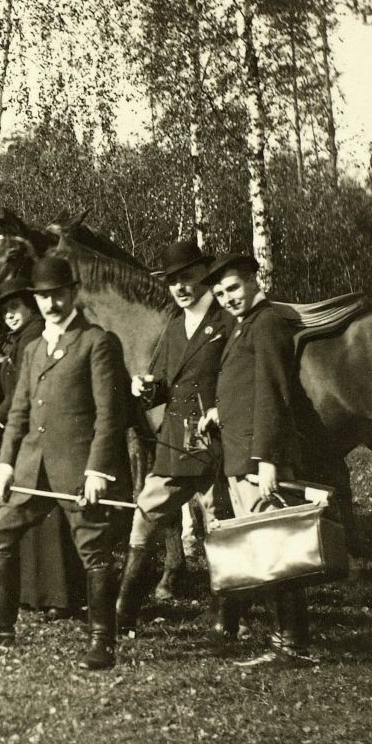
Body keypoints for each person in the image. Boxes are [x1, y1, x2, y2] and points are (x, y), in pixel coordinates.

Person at [0, 255, 130, 669]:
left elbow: (110, 414)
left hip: (78, 468)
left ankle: (102, 640)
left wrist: (97, 470)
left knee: (94, 550)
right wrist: (4, 467)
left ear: (73, 293)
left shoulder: (96, 342)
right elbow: (18, 414)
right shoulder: (33, 348)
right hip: (33, 468)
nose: (51, 304)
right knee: (1, 531)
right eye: (43, 297)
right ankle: (1, 623)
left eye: (58, 295)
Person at [197, 251, 316, 667]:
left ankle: (291, 645)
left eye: (233, 288)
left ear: (253, 280)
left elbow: (272, 393)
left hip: (257, 459)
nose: (228, 298)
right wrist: (220, 411)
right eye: (220, 294)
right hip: (242, 454)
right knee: (268, 548)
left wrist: (267, 459)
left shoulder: (266, 323)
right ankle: (286, 641)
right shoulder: (245, 323)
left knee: (277, 548)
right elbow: (245, 386)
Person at [117, 238, 235, 636]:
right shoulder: (174, 327)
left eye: (187, 277)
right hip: (177, 442)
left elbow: (242, 380)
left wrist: (221, 410)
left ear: (204, 275)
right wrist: (145, 387)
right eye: (172, 281)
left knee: (218, 521)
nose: (180, 287)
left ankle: (225, 614)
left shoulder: (227, 322)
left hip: (218, 441)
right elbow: (166, 384)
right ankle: (124, 610)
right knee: (146, 511)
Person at [0, 274, 85, 621]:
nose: (10, 315)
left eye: (15, 307)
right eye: (5, 312)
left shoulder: (35, 338)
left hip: (43, 438)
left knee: (47, 517)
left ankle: (56, 595)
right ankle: (40, 594)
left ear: (30, 307)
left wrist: (2, 412)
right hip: (30, 436)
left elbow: (22, 393)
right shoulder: (22, 339)